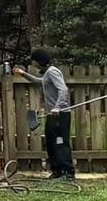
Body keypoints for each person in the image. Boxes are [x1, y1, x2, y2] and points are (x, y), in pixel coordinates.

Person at [14, 50, 75, 180]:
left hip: (60, 114)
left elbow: (63, 89)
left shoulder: (53, 72)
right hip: (52, 114)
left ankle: (67, 172)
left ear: (38, 61)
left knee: (60, 142)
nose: (32, 62)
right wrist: (23, 74)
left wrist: (58, 107)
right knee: (51, 142)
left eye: (33, 60)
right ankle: (57, 171)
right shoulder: (48, 73)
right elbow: (39, 81)